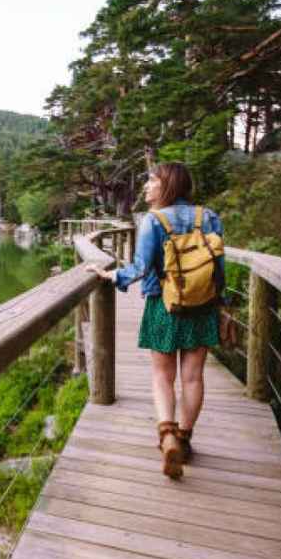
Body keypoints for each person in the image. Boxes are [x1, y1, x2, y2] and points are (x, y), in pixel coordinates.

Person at [86, 162, 224, 479]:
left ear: (168, 186)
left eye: (152, 180)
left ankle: (168, 435)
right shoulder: (210, 217)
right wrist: (221, 306)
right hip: (202, 307)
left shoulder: (154, 220)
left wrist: (111, 275)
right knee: (193, 377)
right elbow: (219, 270)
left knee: (163, 376)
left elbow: (141, 267)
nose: (146, 186)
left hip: (164, 305)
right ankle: (185, 439)